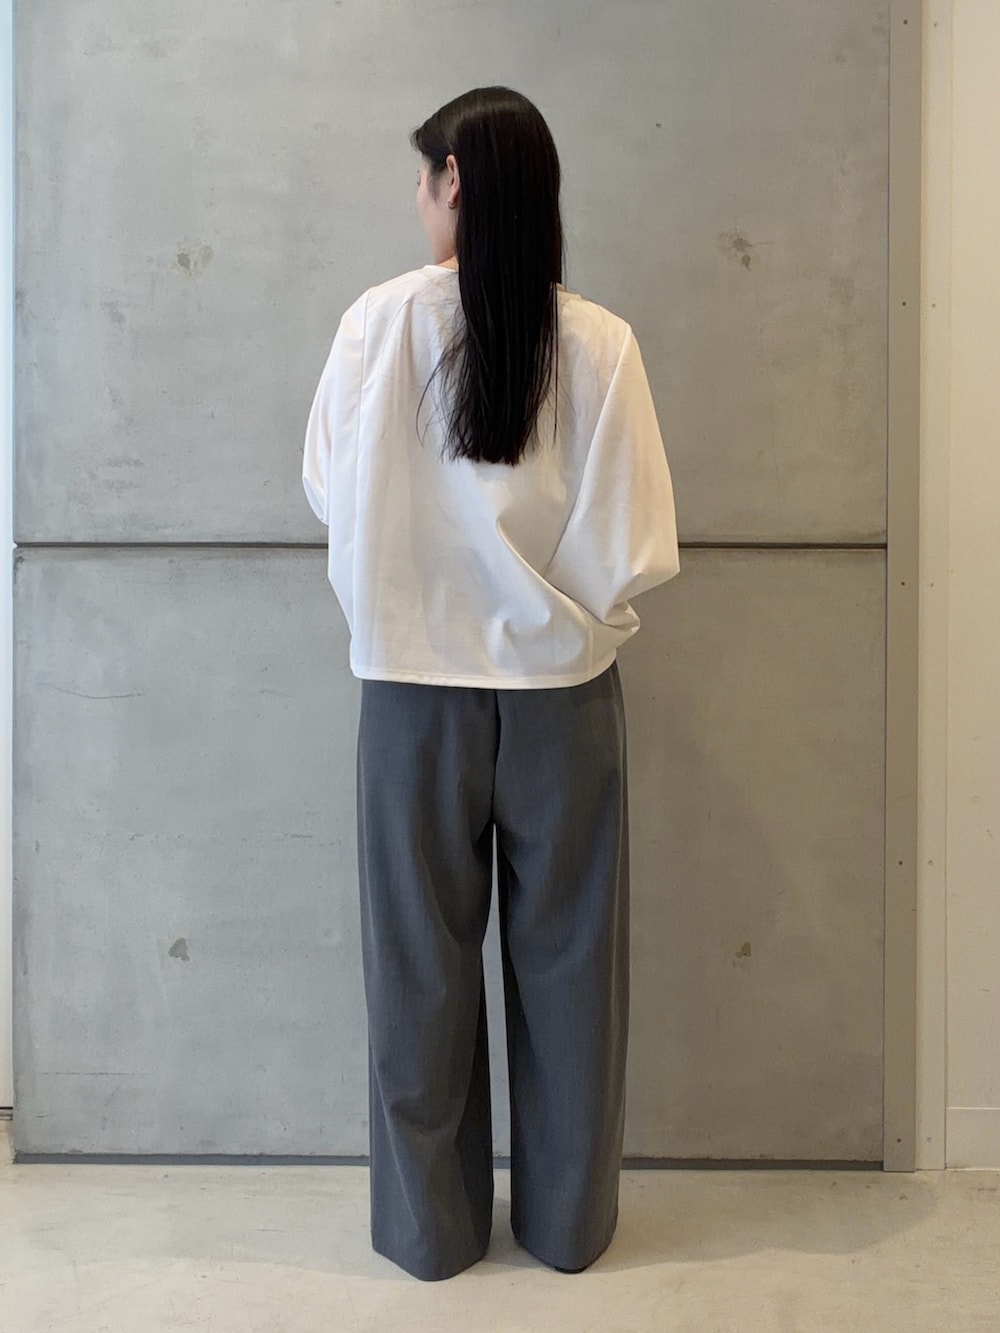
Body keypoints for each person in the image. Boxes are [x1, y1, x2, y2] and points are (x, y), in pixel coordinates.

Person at [302, 86, 680, 1282]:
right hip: (562, 694)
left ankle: (431, 1236)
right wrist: (561, 619)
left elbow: (326, 488)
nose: (417, 203)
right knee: (572, 971)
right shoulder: (600, 342)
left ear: (452, 180)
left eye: (423, 181)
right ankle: (567, 1229)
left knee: (416, 969)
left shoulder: (377, 325)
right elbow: (634, 540)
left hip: (410, 692)